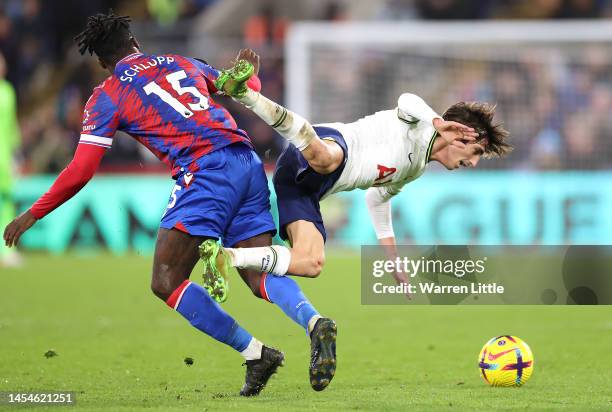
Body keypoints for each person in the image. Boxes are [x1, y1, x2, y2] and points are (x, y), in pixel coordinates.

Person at [2, 12, 336, 396]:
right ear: (135, 43)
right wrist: (249, 74)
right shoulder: (181, 62)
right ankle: (313, 322)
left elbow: (80, 170)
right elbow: (246, 86)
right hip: (246, 161)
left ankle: (255, 353)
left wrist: (32, 213)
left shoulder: (107, 95)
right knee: (257, 266)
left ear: (101, 63)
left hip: (206, 171)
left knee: (167, 281)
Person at [200, 57, 511, 296]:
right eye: (477, 153)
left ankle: (225, 257)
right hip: (330, 143)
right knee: (326, 158)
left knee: (311, 263)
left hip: (300, 186)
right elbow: (406, 99)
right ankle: (246, 95)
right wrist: (437, 120)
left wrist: (392, 257)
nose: (473, 163)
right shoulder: (423, 125)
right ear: (462, 138)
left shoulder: (415, 169)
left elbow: (377, 198)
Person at [0, 52, 21, 268]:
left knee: (5, 202)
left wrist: (16, 153)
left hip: (4, 158)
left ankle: (6, 251)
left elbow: (11, 126)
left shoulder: (7, 91)